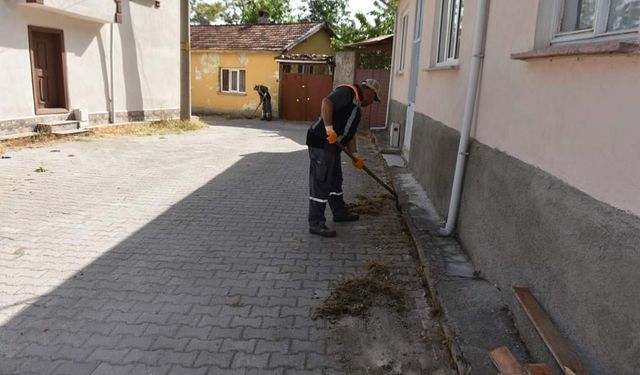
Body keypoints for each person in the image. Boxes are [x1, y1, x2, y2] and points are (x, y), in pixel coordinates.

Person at [306, 79, 381, 237]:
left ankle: (339, 212)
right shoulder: (347, 92)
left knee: (335, 180)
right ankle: (316, 222)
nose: (371, 102)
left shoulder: (357, 109)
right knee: (322, 181)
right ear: (369, 90)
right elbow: (326, 103)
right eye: (373, 98)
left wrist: (355, 156)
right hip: (321, 141)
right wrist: (329, 129)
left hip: (333, 147)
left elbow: (350, 134)